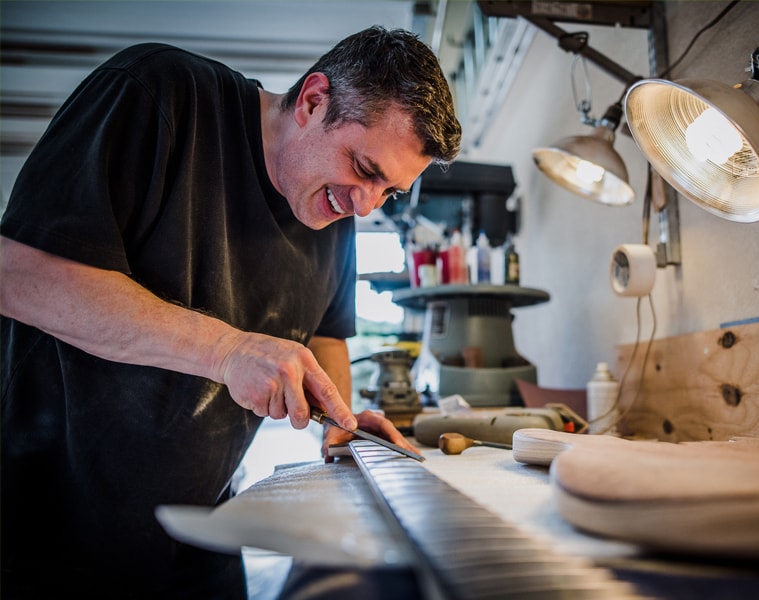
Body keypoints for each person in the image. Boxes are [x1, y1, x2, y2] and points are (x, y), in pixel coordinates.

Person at [0, 26, 461, 598]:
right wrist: (227, 349)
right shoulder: (160, 92)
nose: (363, 207)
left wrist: (340, 427)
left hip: (201, 533)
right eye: (365, 170)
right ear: (314, 101)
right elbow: (18, 274)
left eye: (388, 192)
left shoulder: (332, 214)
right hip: (47, 532)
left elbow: (326, 337)